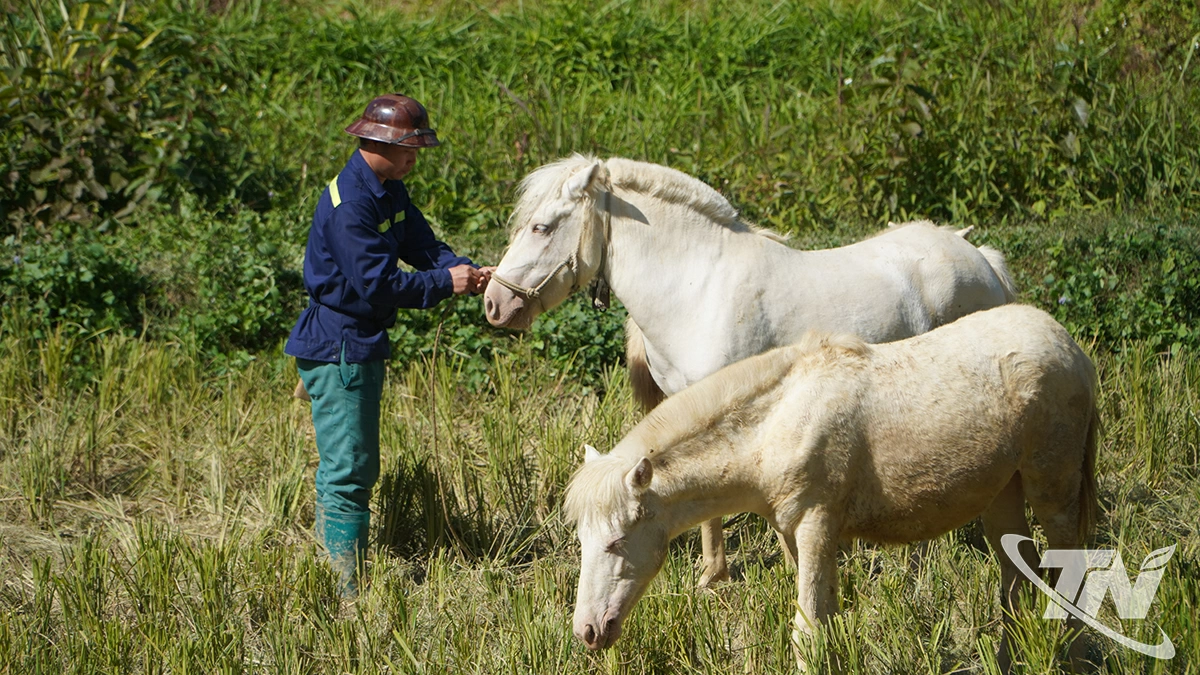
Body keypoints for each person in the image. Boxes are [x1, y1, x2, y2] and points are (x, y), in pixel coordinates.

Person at [285, 93, 493, 596]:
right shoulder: (351, 204)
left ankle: (338, 576)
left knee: (350, 464)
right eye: (408, 148)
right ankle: (344, 592)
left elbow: (423, 247)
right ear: (375, 142)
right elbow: (377, 285)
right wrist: (447, 284)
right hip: (340, 346)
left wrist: (461, 267)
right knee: (350, 469)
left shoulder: (387, 188)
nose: (415, 157)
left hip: (357, 341)